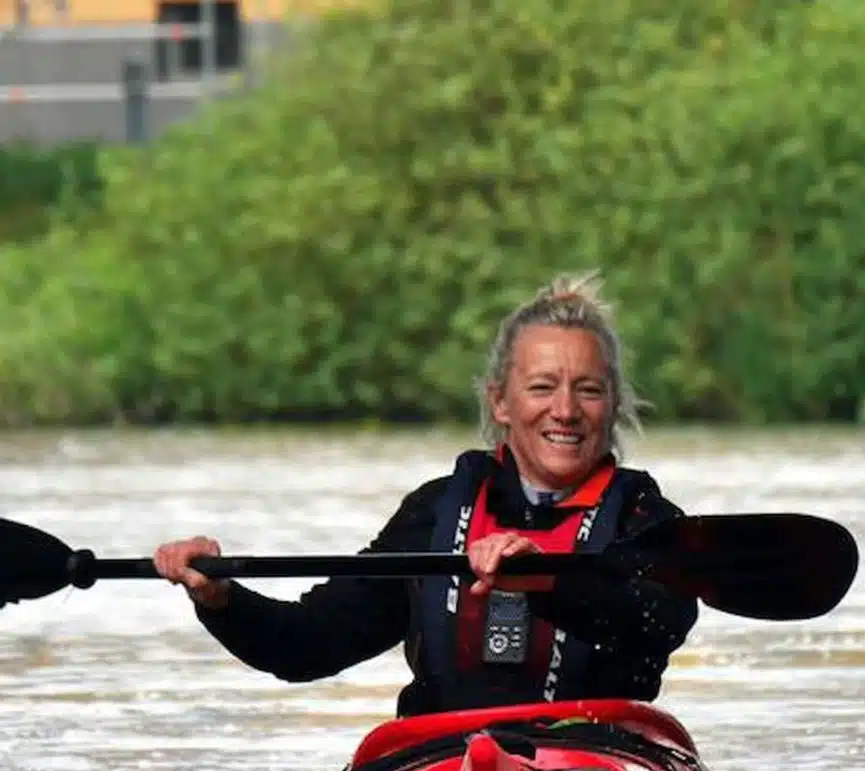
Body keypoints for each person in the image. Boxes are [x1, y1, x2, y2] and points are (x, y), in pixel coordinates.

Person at [153, 273, 699, 716]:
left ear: (612, 404)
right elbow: (307, 645)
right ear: (500, 403)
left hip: (601, 763)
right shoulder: (435, 513)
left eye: (589, 391)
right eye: (541, 387)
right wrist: (220, 598)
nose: (565, 411)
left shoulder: (644, 518)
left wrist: (546, 582)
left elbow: (661, 621)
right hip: (447, 765)